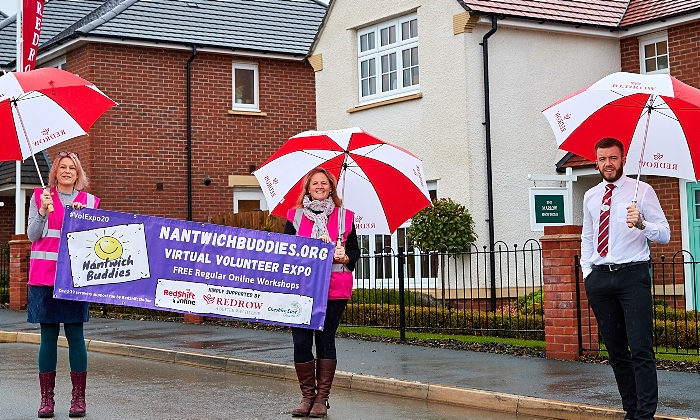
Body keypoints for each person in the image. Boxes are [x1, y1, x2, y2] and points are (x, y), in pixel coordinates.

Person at [581, 137, 670, 420]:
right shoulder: (591, 196)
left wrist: (642, 222)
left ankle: (645, 415)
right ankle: (630, 411)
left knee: (641, 349)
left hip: (632, 277)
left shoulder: (642, 191)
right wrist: (587, 273)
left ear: (623, 160)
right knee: (617, 352)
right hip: (600, 281)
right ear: (596, 162)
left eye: (613, 158)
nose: (608, 163)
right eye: (603, 159)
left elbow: (665, 234)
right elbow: (587, 237)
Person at [27, 151, 100, 418]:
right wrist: (44, 211)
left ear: (78, 173)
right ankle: (47, 401)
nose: (67, 171)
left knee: (75, 334)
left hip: (75, 278)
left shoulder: (90, 202)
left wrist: (82, 219)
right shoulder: (40, 198)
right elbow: (33, 236)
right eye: (62, 167)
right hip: (44, 277)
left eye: (72, 168)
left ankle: (78, 400)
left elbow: (95, 244)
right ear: (55, 172)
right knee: (48, 336)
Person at [284, 167, 360, 418]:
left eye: (324, 183)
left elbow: (355, 253)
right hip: (302, 288)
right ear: (307, 188)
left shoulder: (344, 217)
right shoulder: (294, 217)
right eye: (315, 183)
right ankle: (307, 397)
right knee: (301, 342)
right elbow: (285, 252)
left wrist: (345, 255)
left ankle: (321, 400)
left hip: (334, 287)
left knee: (325, 340)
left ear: (331, 188)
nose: (319, 187)